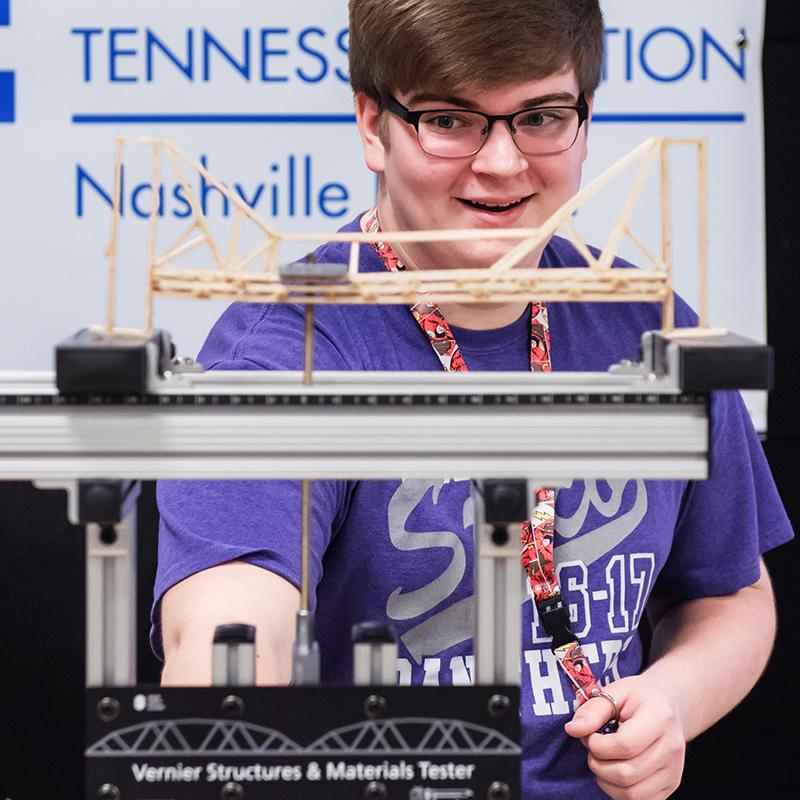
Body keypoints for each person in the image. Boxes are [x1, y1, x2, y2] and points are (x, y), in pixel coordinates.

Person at [152, 1, 793, 798]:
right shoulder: (287, 351)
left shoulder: (649, 322)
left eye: (542, 117)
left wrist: (674, 698)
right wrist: (228, 700)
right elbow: (232, 615)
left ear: (585, 121)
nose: (502, 163)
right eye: (451, 120)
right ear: (371, 125)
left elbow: (730, 592)